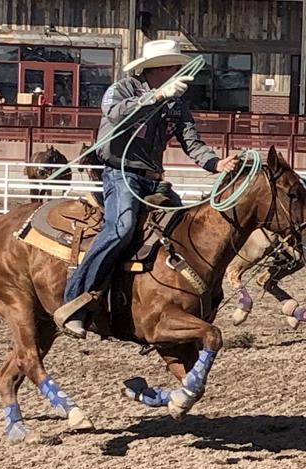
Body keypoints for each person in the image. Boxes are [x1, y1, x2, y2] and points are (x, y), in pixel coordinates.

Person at [56, 39, 240, 338]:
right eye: (173, 67)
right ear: (158, 68)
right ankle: (76, 300)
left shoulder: (175, 104)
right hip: (121, 174)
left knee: (187, 227)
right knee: (122, 228)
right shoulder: (123, 89)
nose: (179, 73)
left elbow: (191, 142)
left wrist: (215, 163)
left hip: (153, 178)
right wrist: (156, 97)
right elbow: (115, 114)